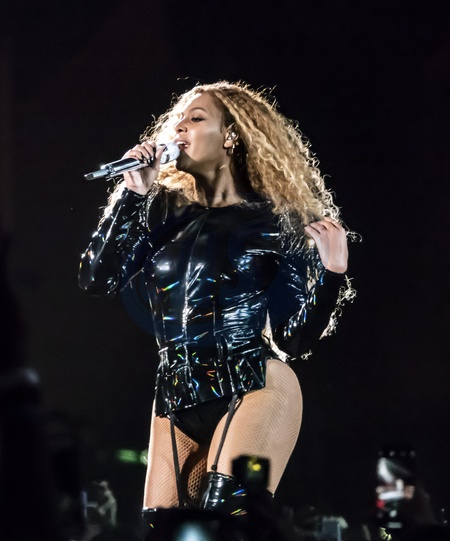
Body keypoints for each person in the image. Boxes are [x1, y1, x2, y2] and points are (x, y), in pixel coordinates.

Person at [78, 81, 352, 527]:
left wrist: (331, 274)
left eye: (196, 118)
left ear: (231, 135)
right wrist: (132, 195)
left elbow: (294, 340)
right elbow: (96, 279)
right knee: (162, 531)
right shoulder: (162, 214)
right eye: (177, 121)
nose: (178, 128)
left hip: (255, 384)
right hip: (176, 392)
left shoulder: (278, 221)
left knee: (227, 522)